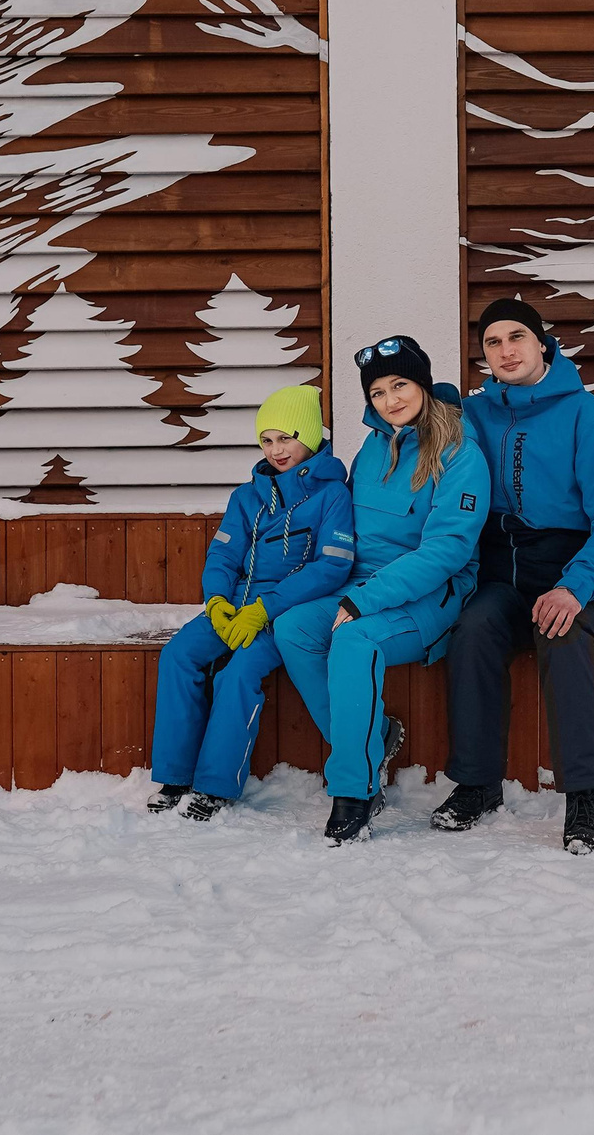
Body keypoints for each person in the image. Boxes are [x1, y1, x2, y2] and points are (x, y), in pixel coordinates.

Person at [434, 296, 594, 853]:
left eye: (516, 337)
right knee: (473, 629)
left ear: (542, 343)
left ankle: (585, 795)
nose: (506, 351)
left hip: (582, 569)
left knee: (562, 630)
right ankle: (477, 784)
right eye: (492, 343)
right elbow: (417, 420)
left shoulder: (590, 417)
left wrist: (575, 586)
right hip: (504, 570)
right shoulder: (474, 416)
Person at [266, 336, 489, 845]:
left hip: (431, 596)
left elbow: (447, 550)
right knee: (294, 627)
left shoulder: (459, 454)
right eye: (378, 392)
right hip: (361, 585)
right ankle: (372, 740)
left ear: (423, 385)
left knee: (354, 640)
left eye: (400, 385)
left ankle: (355, 790)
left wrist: (362, 601)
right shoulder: (373, 446)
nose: (390, 399)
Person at [146, 384, 355, 821]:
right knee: (178, 654)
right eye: (267, 439)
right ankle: (175, 775)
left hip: (281, 616)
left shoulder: (332, 495)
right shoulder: (247, 497)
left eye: (287, 437)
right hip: (234, 608)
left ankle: (215, 785)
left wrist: (266, 609)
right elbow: (223, 553)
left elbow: (331, 567)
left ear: (312, 436)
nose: (277, 449)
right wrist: (218, 601)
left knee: (238, 673)